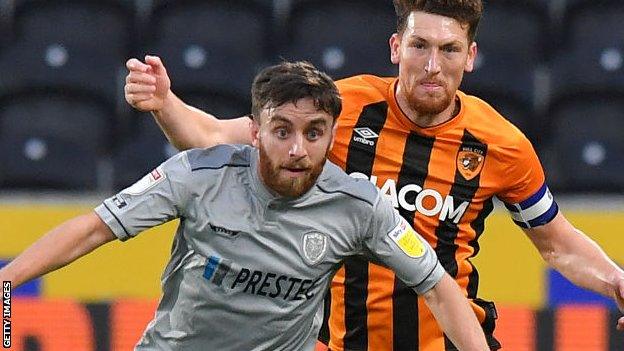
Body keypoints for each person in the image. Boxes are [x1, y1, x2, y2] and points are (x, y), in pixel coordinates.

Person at [124, 1, 624, 350]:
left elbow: (557, 244)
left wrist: (618, 281)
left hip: (453, 339)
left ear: (470, 57)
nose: (432, 65)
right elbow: (213, 138)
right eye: (419, 46)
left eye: (449, 49)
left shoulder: (503, 145)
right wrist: (164, 103)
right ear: (394, 48)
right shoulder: (343, 109)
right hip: (347, 338)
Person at [0, 61, 490, 350]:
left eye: (314, 133)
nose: (298, 149)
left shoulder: (358, 206)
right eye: (282, 131)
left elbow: (440, 288)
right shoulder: (198, 175)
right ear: (255, 132)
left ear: (332, 136)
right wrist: (6, 284)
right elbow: (93, 229)